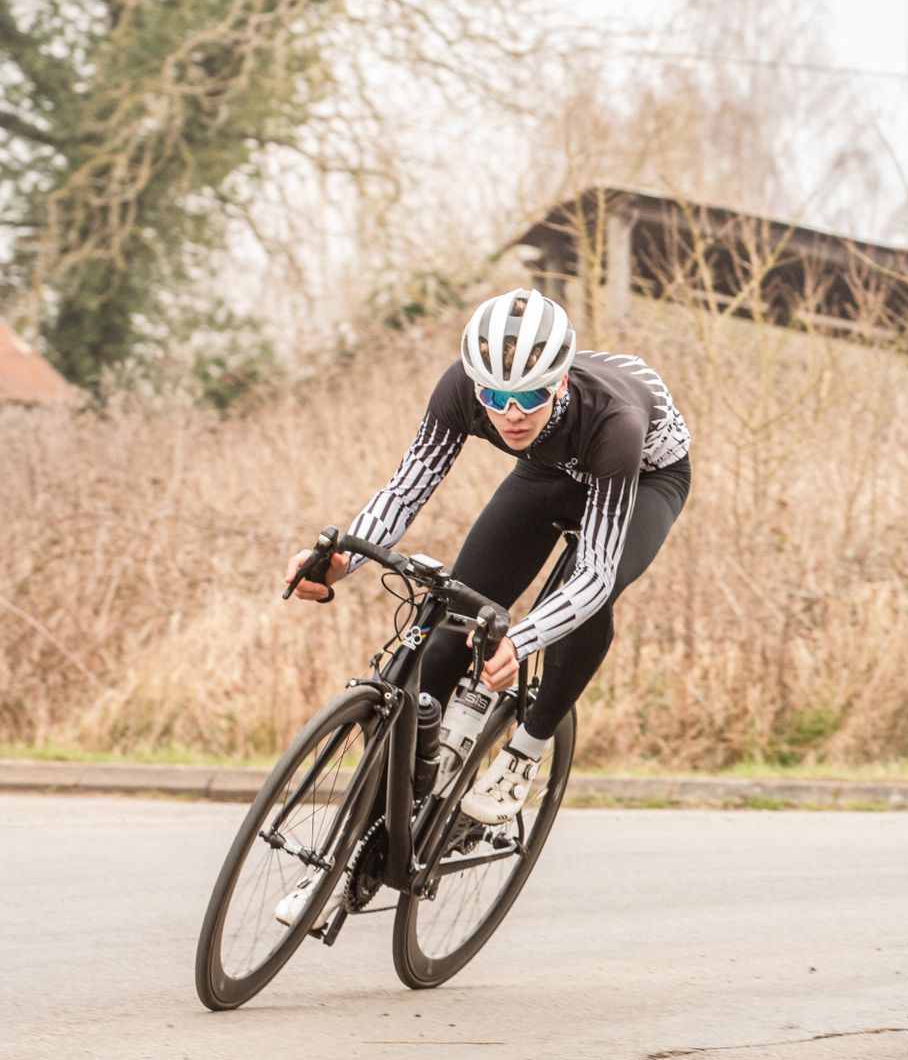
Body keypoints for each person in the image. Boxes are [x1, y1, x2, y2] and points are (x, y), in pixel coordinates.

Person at [283, 286, 692, 827]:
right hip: (548, 468)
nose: (512, 415)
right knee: (458, 614)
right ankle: (378, 824)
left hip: (643, 478)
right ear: (476, 385)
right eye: (496, 399)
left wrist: (521, 640)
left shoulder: (616, 421)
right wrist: (342, 560)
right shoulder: (460, 389)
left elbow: (594, 574)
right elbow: (404, 492)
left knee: (588, 594)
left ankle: (526, 750)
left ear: (561, 381)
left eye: (531, 396)